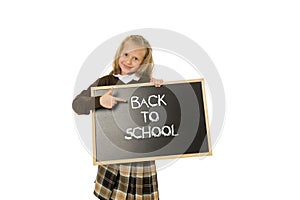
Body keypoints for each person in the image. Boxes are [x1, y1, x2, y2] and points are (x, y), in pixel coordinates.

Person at [72, 35, 162, 200]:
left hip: (141, 160)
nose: (128, 61)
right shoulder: (105, 82)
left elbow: (162, 115)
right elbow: (77, 104)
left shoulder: (147, 83)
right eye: (126, 54)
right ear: (119, 53)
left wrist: (160, 89)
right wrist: (100, 101)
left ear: (143, 63)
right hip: (113, 156)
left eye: (136, 58)